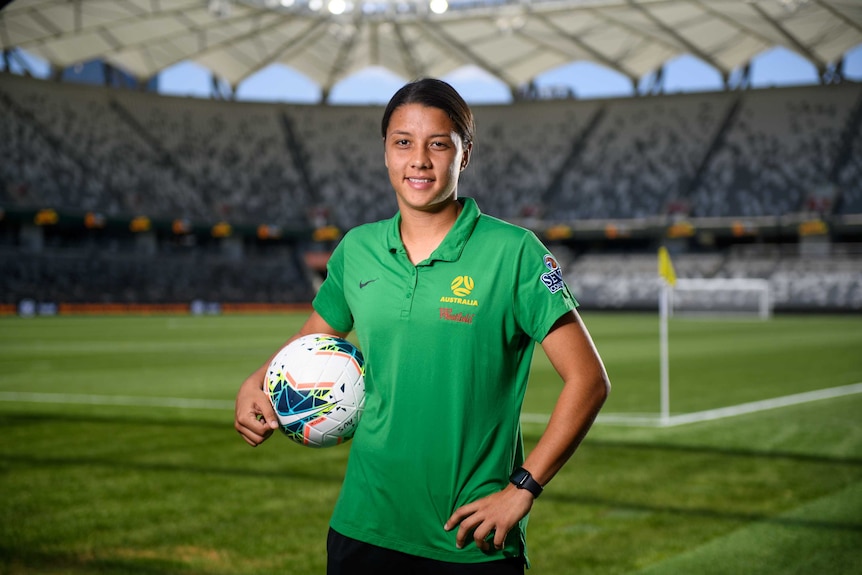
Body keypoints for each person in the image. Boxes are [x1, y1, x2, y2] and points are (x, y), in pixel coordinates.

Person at [234, 78, 611, 574]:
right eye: (403, 143)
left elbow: (589, 380)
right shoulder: (357, 248)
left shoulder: (515, 252)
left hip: (469, 540)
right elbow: (311, 342)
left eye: (438, 144)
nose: (419, 160)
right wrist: (257, 380)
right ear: (386, 152)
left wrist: (524, 488)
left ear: (465, 154)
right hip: (361, 529)